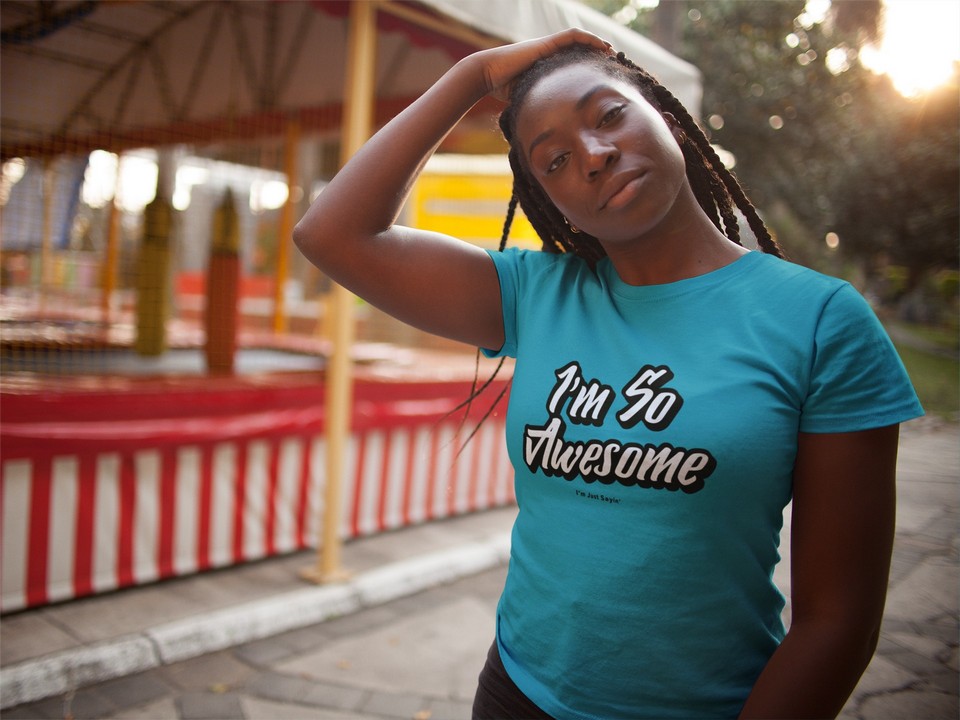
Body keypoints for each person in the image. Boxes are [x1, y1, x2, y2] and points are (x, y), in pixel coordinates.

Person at [294, 29, 923, 720]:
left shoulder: (820, 321)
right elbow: (331, 234)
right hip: (516, 696)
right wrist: (473, 75)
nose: (593, 156)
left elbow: (838, 623)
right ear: (548, 198)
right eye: (555, 160)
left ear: (668, 116)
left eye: (610, 115)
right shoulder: (533, 295)